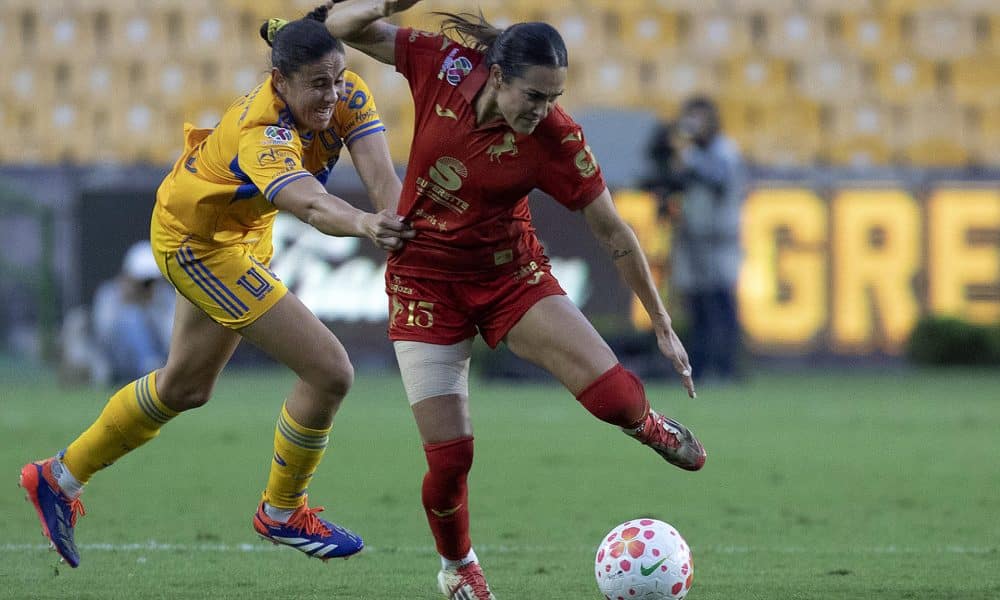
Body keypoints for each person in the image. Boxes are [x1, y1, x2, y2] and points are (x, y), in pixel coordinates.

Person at [321, 2, 707, 598]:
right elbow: (341, 28)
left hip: (510, 277)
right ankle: (458, 567)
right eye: (534, 96)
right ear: (497, 77)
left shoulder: (556, 139)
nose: (544, 111)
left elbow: (615, 233)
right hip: (424, 282)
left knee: (615, 400)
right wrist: (392, 4)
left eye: (554, 97)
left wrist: (660, 323)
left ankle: (647, 423)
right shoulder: (441, 65)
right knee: (450, 461)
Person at [18, 6, 413, 569]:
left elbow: (383, 181)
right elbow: (309, 203)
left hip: (238, 234)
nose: (330, 95)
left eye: (336, 79)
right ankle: (282, 512)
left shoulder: (345, 94)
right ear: (281, 82)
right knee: (330, 371)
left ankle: (56, 478)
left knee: (184, 387)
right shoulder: (263, 131)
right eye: (316, 85)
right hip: (199, 243)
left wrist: (401, 228)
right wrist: (365, 225)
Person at [647, 96, 746, 383]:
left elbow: (718, 179)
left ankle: (727, 368)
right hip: (693, 241)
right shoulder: (691, 154)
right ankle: (701, 368)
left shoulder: (723, 151)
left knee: (721, 304)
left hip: (719, 240)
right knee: (699, 309)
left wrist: (687, 159)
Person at [91, 241, 175, 385]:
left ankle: (152, 369)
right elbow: (104, 334)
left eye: (150, 282)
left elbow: (171, 338)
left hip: (161, 361)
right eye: (142, 282)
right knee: (131, 316)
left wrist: (150, 310)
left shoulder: (164, 297)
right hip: (120, 362)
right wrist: (127, 303)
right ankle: (148, 367)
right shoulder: (110, 295)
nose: (146, 288)